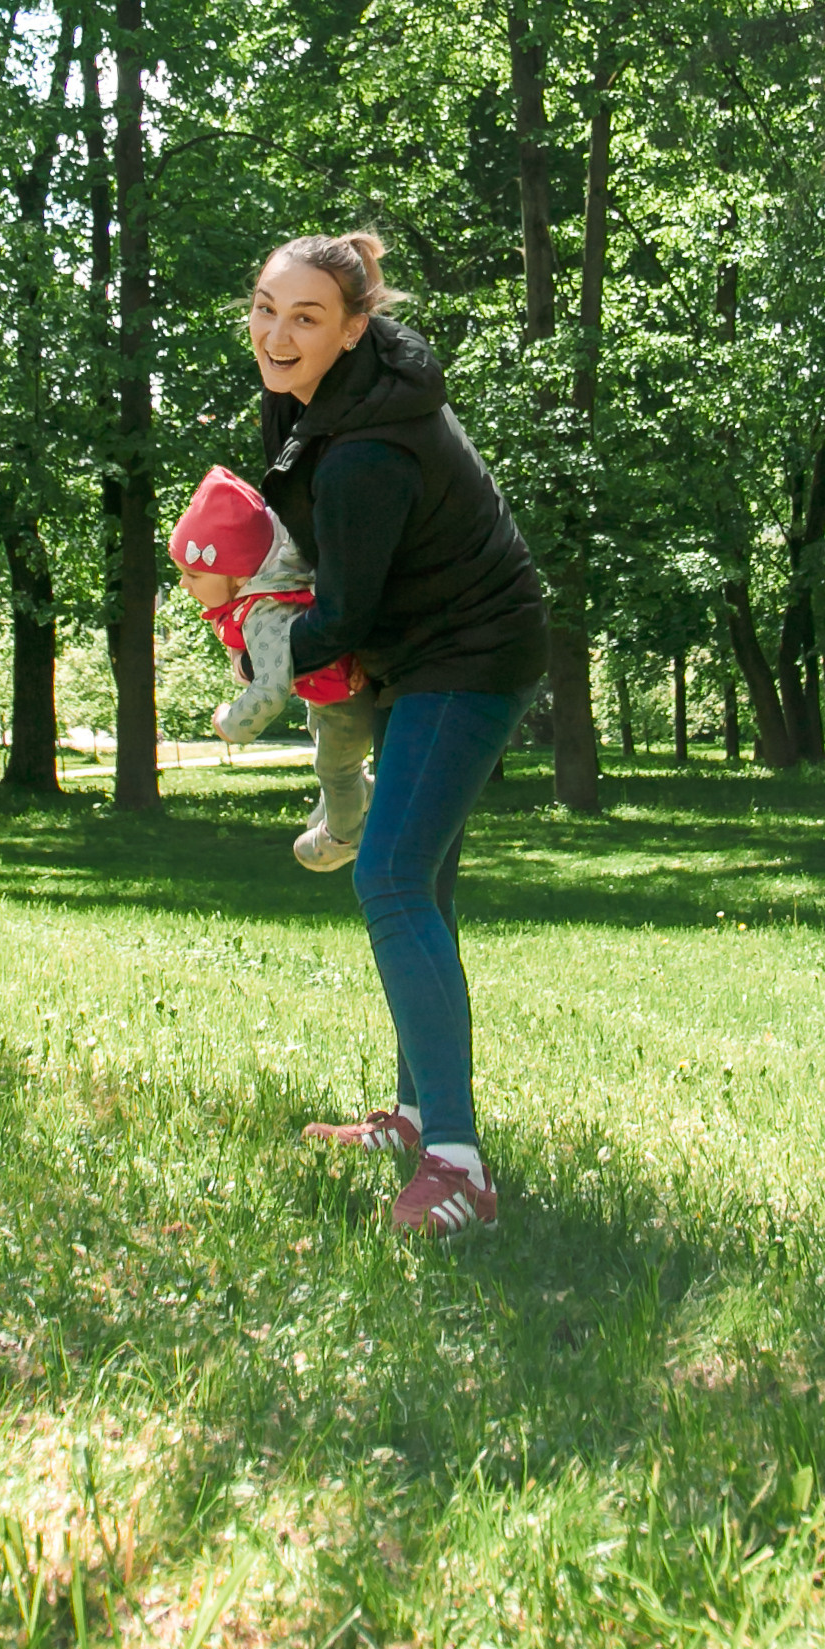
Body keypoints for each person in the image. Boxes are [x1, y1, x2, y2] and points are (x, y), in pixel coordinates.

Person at [249, 229, 547, 1238]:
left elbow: (347, 613)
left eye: (306, 317)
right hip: (416, 651)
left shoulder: (367, 450)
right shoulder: (315, 398)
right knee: (422, 884)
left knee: (387, 875)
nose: (278, 335)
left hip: (470, 656)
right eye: (267, 309)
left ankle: (459, 1169)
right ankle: (419, 1118)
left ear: (353, 329)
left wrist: (259, 651)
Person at [167, 463, 380, 871]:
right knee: (326, 748)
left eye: (193, 574)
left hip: (345, 702)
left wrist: (231, 723)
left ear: (235, 575)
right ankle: (356, 796)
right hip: (330, 696)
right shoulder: (270, 574)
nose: (183, 584)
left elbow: (269, 691)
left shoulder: (265, 615)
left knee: (335, 767)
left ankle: (343, 837)